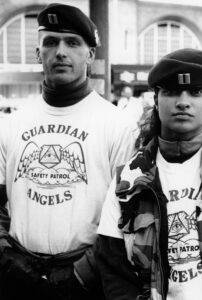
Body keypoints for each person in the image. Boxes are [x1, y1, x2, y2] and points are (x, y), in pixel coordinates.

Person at [0, 3, 138, 300]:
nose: (60, 51)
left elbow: (126, 216)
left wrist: (82, 273)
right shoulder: (10, 124)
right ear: (38, 54)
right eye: (50, 42)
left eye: (73, 43)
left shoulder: (118, 125)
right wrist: (7, 257)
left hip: (86, 281)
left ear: (90, 54)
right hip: (17, 277)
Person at [95, 48, 202, 300]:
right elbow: (113, 267)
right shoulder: (129, 181)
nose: (183, 101)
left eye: (196, 92)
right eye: (170, 92)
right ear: (156, 100)